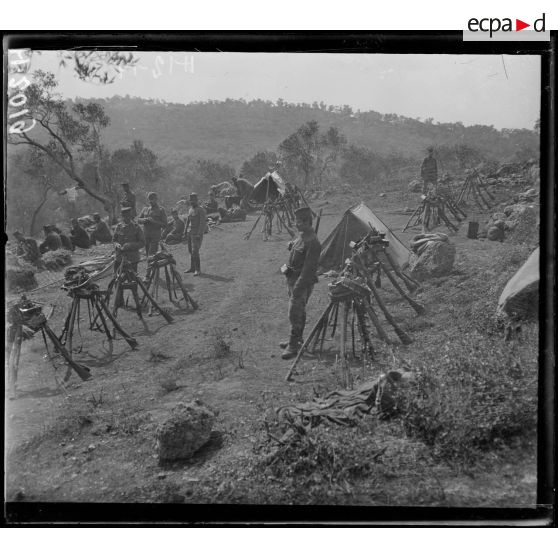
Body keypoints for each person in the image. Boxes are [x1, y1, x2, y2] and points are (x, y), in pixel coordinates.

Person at [280, 206, 321, 360]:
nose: (295, 224)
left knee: (294, 313)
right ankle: (296, 339)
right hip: (292, 279)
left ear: (306, 222)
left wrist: (298, 287)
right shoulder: (302, 236)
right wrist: (291, 245)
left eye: (297, 221)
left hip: (301, 282)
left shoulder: (313, 242)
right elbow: (297, 245)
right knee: (298, 312)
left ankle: (294, 345)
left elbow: (309, 269)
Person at [112, 207, 144, 273]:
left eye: (127, 216)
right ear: (122, 216)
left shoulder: (136, 227)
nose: (125, 218)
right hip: (119, 258)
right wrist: (116, 245)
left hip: (132, 258)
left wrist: (130, 245)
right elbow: (114, 240)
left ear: (130, 216)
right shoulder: (118, 227)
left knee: (133, 280)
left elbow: (142, 242)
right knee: (117, 279)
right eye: (124, 216)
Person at [137, 192, 167, 257]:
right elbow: (138, 220)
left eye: (152, 199)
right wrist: (143, 220)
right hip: (146, 236)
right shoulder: (145, 209)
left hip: (155, 236)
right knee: (148, 255)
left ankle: (152, 266)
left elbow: (165, 224)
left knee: (152, 254)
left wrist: (154, 221)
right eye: (149, 199)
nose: (150, 201)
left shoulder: (161, 210)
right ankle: (150, 266)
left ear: (156, 199)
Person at [185, 192, 207, 276]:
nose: (192, 202)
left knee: (195, 251)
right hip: (190, 233)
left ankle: (198, 269)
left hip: (197, 234)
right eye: (191, 201)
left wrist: (199, 234)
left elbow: (202, 223)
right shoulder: (190, 210)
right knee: (190, 251)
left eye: (194, 200)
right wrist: (185, 231)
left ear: (197, 201)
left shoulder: (200, 210)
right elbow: (188, 220)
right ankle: (192, 268)